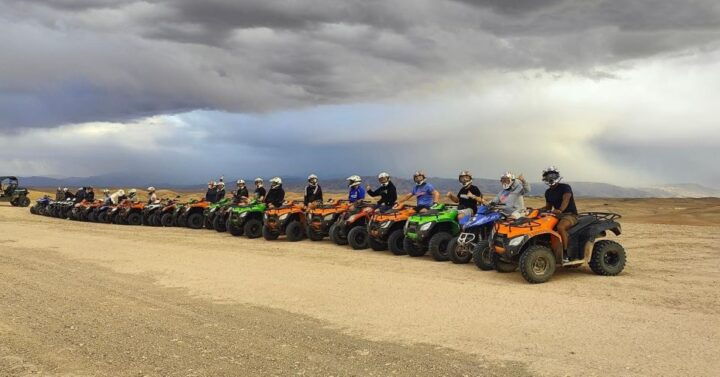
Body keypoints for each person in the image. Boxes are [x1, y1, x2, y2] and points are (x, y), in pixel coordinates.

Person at [540, 166, 578, 258]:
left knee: (561, 227)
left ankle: (565, 253)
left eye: (552, 175)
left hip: (570, 215)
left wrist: (560, 210)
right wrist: (537, 210)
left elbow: (566, 199)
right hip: (557, 215)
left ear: (557, 175)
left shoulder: (565, 187)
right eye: (548, 176)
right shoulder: (548, 192)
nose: (550, 178)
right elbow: (548, 206)